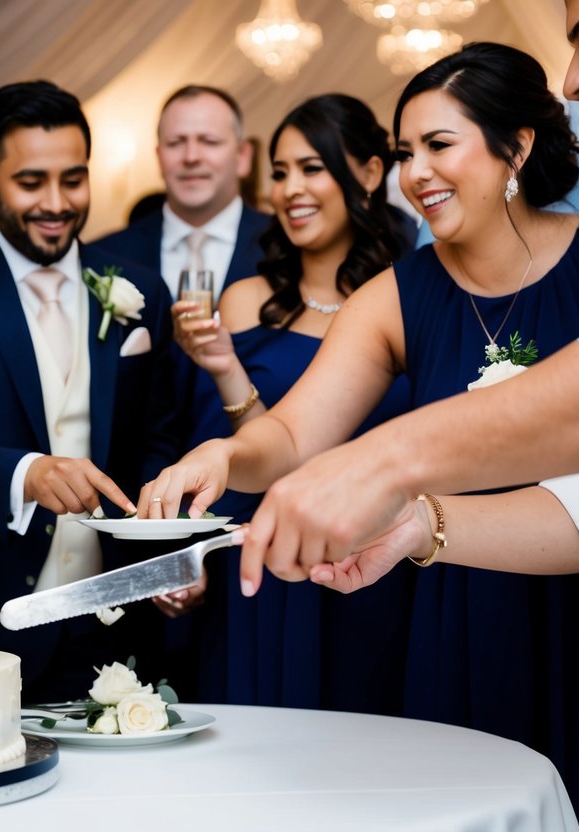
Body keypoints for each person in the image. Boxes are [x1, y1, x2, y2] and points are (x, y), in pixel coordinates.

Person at [141, 42, 579, 830]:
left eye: (438, 146)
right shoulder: (396, 295)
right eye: (406, 153)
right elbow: (298, 432)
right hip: (460, 606)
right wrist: (226, 454)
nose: (415, 174)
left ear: (515, 146)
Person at [232, 0, 579, 595]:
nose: (571, 80)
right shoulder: (402, 293)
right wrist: (422, 522)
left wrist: (383, 461)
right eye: (408, 153)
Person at [0, 80, 180, 704]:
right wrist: (26, 475)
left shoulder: (141, 291)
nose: (56, 202)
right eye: (31, 182)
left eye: (73, 180)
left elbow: (158, 437)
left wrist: (167, 551)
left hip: (118, 625)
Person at [162, 94, 414, 709]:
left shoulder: (414, 294)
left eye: (312, 167)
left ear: (370, 174)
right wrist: (222, 365)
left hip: (384, 569)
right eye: (279, 172)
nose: (292, 188)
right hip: (269, 565)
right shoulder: (247, 300)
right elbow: (249, 449)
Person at [92, 85, 271, 302]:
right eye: (175, 143)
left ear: (243, 156)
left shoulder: (283, 246)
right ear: (159, 157)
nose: (191, 157)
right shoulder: (107, 255)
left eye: (209, 141)